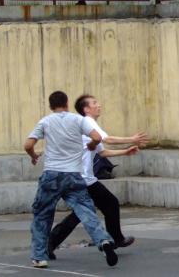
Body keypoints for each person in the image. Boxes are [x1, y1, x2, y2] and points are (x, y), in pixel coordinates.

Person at [24, 91, 118, 268]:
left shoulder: (45, 121)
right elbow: (97, 138)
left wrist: (33, 155)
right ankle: (103, 241)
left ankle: (39, 256)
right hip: (74, 175)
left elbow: (28, 144)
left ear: (51, 106)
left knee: (42, 215)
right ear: (67, 104)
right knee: (86, 211)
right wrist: (90, 145)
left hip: (52, 174)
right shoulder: (78, 120)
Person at [48, 94, 149, 259]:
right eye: (95, 103)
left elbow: (101, 151)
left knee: (82, 212)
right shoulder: (87, 121)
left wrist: (125, 151)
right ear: (86, 109)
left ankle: (50, 243)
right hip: (81, 178)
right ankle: (116, 239)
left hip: (83, 177)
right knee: (108, 204)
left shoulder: (89, 126)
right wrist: (131, 139)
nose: (99, 105)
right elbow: (105, 139)